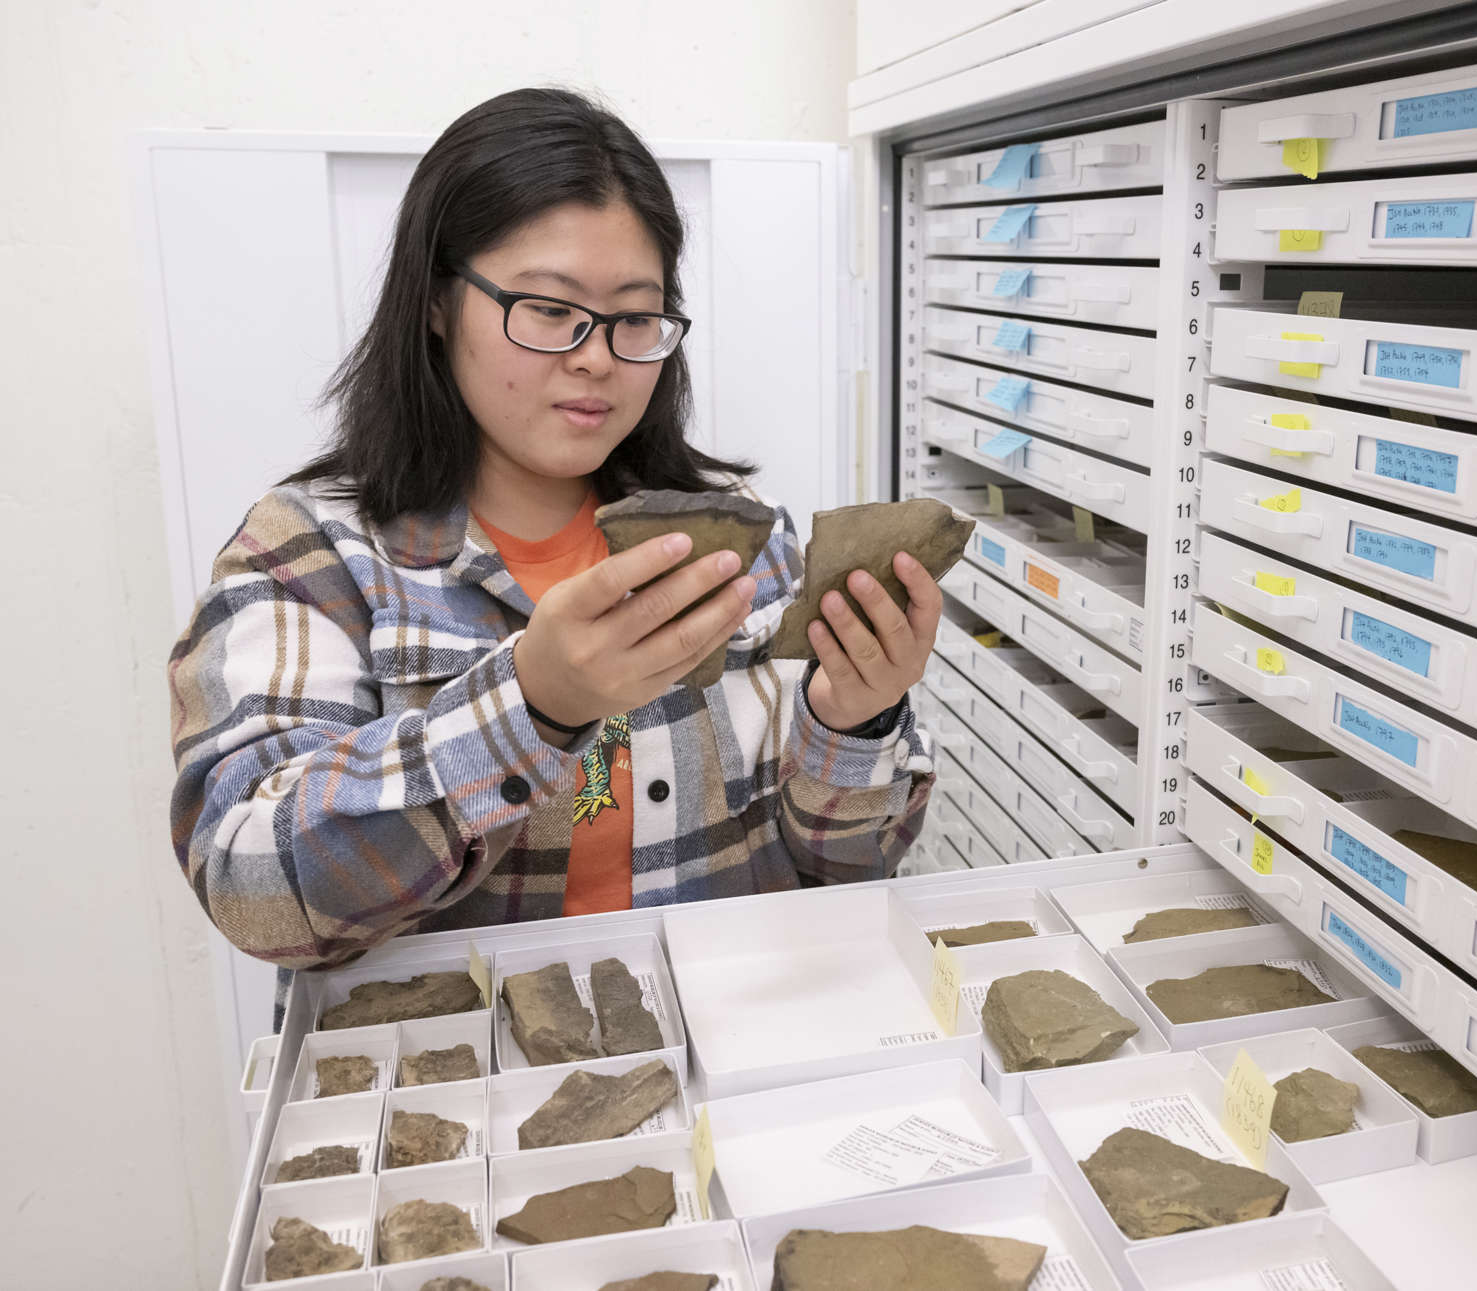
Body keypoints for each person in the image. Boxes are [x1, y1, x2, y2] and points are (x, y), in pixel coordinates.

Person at [167, 87, 938, 974]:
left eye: (635, 317)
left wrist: (854, 720)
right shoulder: (309, 554)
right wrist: (532, 703)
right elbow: (251, 892)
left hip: (724, 1069)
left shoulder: (746, 542)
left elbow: (849, 871)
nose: (597, 356)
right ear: (436, 300)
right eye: (547, 308)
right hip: (469, 1086)